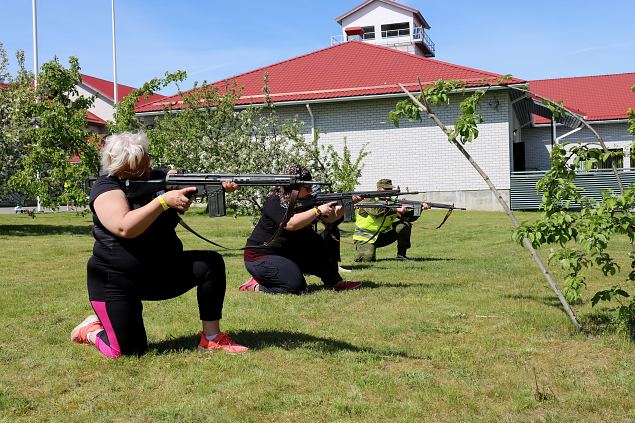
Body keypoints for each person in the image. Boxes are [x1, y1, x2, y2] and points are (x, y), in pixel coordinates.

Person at [70, 131, 247, 357]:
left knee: (210, 263)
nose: (147, 170)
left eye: (147, 161)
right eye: (139, 167)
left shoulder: (158, 179)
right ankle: (92, 330)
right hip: (116, 281)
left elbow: (181, 180)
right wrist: (162, 201)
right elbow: (125, 227)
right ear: (122, 168)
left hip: (159, 272)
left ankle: (212, 338)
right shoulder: (106, 188)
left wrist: (217, 186)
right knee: (127, 352)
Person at [240, 164, 362, 294]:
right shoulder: (275, 200)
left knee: (315, 240)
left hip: (288, 252)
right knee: (296, 287)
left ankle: (335, 282)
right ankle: (255, 285)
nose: (310, 190)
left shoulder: (306, 200)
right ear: (294, 185)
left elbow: (329, 219)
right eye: (307, 187)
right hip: (260, 256)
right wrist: (317, 210)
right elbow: (291, 224)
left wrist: (346, 204)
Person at [353, 178, 430, 262]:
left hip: (383, 236)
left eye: (390, 189)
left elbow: (407, 218)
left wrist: (419, 209)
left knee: (405, 225)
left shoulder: (392, 202)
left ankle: (401, 256)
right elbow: (376, 211)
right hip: (365, 237)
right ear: (378, 189)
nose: (388, 191)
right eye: (386, 189)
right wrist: (396, 209)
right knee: (366, 260)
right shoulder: (368, 200)